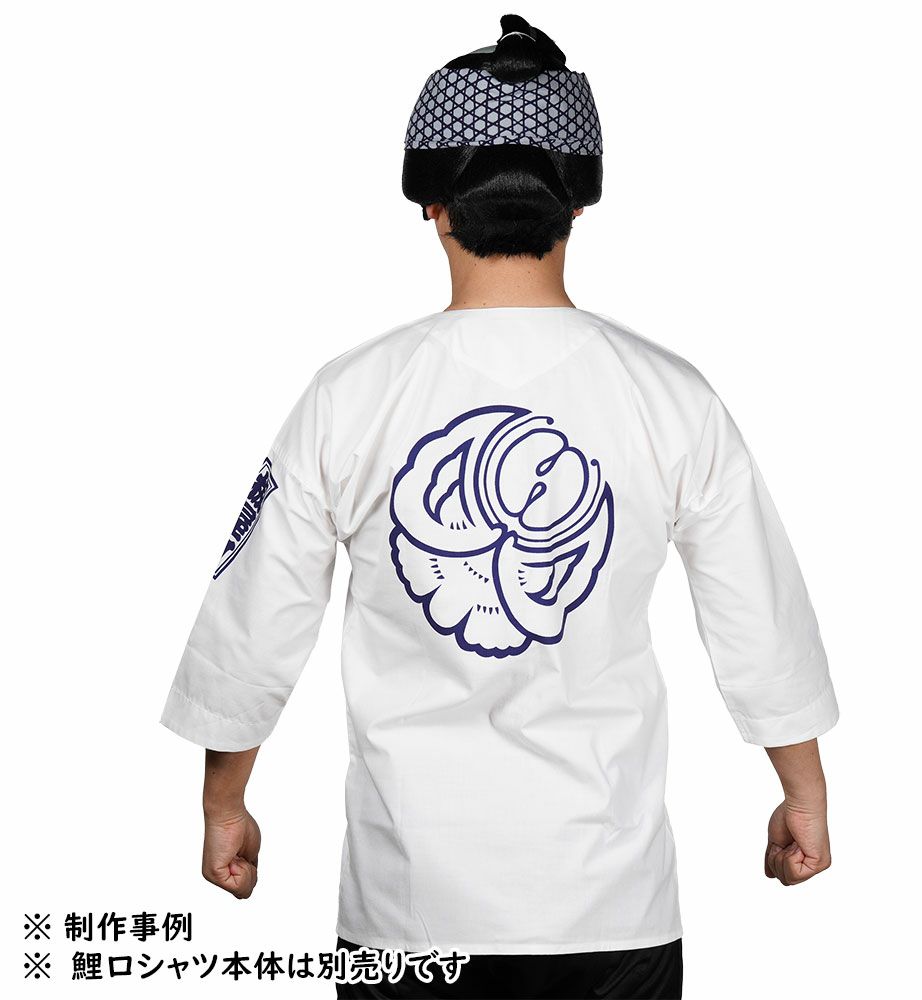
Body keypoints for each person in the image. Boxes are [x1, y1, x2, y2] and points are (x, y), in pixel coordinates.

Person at [161, 14, 838, 1000]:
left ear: (429, 203)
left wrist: (225, 804)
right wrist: (802, 793)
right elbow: (757, 615)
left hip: (407, 907)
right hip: (609, 905)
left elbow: (254, 624)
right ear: (580, 202)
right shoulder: (670, 396)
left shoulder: (350, 396)